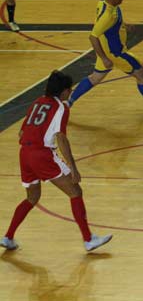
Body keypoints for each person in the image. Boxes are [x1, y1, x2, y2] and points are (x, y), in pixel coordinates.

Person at [0, 70, 113, 252]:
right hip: (42, 155)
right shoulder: (61, 108)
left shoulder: (37, 103)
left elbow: (21, 133)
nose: (71, 92)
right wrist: (73, 168)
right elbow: (61, 139)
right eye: (70, 90)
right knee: (75, 191)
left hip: (24, 154)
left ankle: (8, 237)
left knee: (32, 197)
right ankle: (88, 239)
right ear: (63, 92)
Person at [67, 0, 143, 111]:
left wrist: (123, 25)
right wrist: (104, 58)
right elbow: (93, 37)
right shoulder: (108, 16)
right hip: (116, 53)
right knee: (142, 74)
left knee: (95, 78)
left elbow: (108, 25)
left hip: (106, 49)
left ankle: (68, 102)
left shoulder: (104, 1)